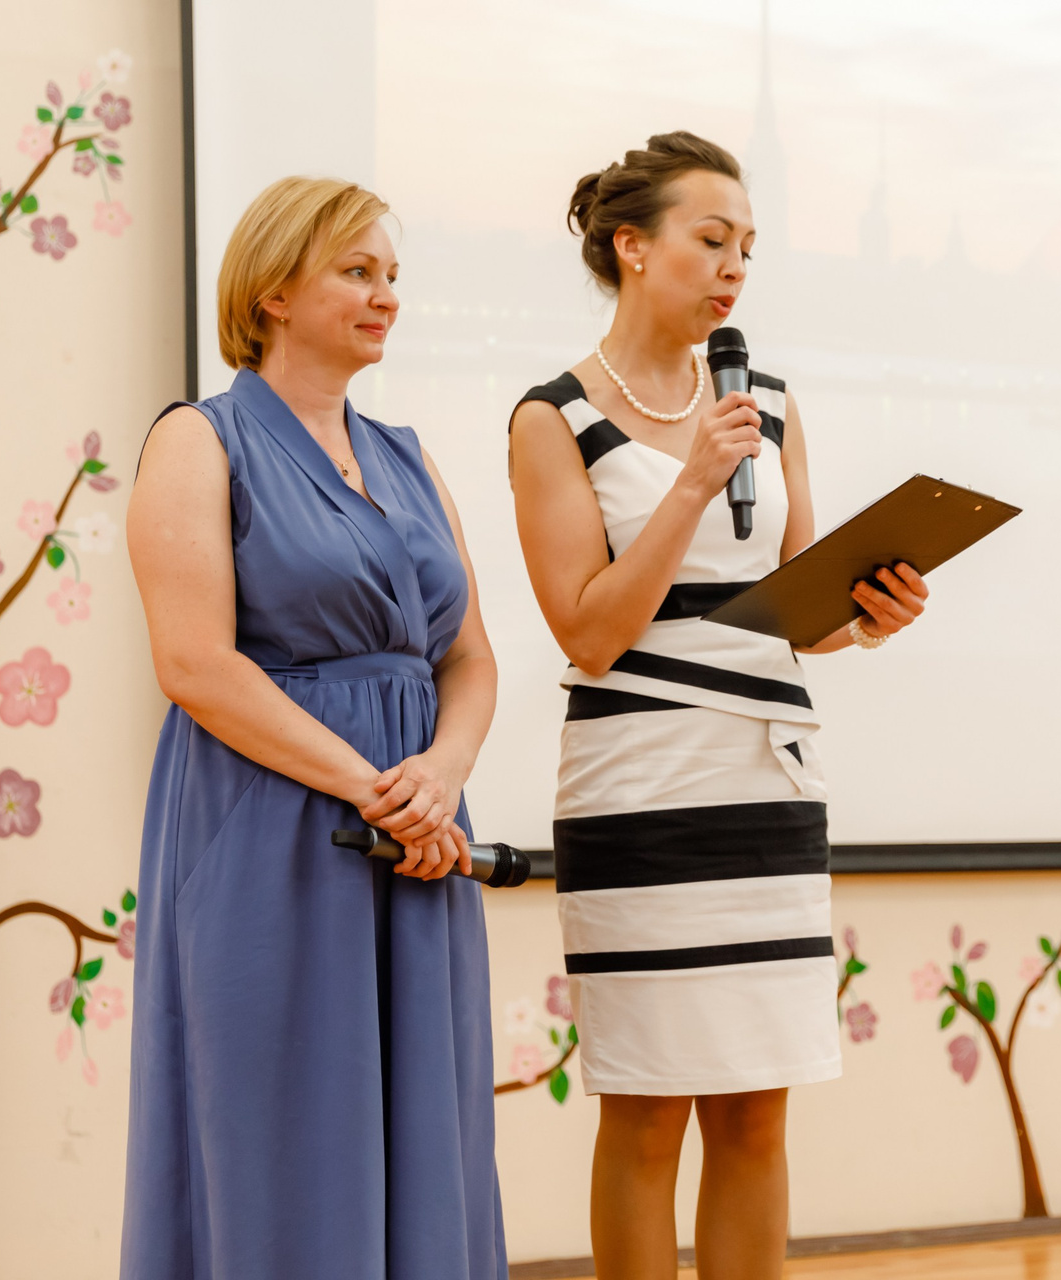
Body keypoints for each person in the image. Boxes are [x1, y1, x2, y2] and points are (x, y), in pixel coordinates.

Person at [508, 132, 932, 1279]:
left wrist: (869, 613)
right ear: (633, 245)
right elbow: (589, 632)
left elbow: (796, 609)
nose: (735, 266)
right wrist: (694, 479)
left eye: (747, 245)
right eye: (711, 239)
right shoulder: (552, 417)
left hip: (766, 781)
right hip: (640, 788)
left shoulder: (771, 403)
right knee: (647, 1109)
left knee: (756, 1110)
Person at [122, 176, 505, 1279]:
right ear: (275, 291)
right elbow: (194, 665)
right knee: (282, 1133)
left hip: (420, 830)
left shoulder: (409, 455)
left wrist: (440, 773)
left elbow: (469, 656)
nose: (386, 296)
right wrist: (373, 786)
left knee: (431, 1132)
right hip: (275, 832)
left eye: (393, 275)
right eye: (358, 271)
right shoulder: (198, 439)